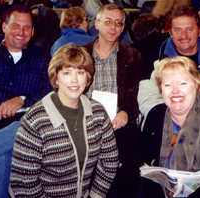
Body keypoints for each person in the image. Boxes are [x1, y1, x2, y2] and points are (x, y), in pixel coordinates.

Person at [10, 43, 119, 198]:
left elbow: (110, 160)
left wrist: (96, 195)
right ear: (56, 78)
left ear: (88, 78)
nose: (74, 80)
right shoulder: (35, 120)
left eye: (80, 73)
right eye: (67, 73)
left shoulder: (98, 112)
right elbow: (23, 182)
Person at [0, 4, 51, 198]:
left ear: (33, 31)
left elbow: (50, 91)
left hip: (20, 127)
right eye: (16, 25)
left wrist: (22, 99)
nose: (21, 32)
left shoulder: (42, 58)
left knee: (15, 139)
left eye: (27, 27)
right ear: (4, 27)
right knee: (3, 156)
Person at [138, 56, 200, 198]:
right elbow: (142, 165)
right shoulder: (155, 116)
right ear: (161, 89)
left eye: (183, 83)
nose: (175, 91)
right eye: (167, 85)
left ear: (197, 85)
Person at [138, 5, 200, 130]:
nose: (184, 35)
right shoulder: (155, 61)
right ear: (170, 32)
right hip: (169, 129)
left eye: (189, 29)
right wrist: (176, 121)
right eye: (178, 30)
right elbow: (148, 98)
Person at [84, 3, 142, 198]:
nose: (113, 27)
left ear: (123, 27)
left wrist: (126, 112)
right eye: (108, 21)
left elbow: (134, 94)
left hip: (118, 121)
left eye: (118, 23)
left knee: (129, 161)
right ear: (97, 23)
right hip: (85, 120)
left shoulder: (132, 55)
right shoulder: (82, 54)